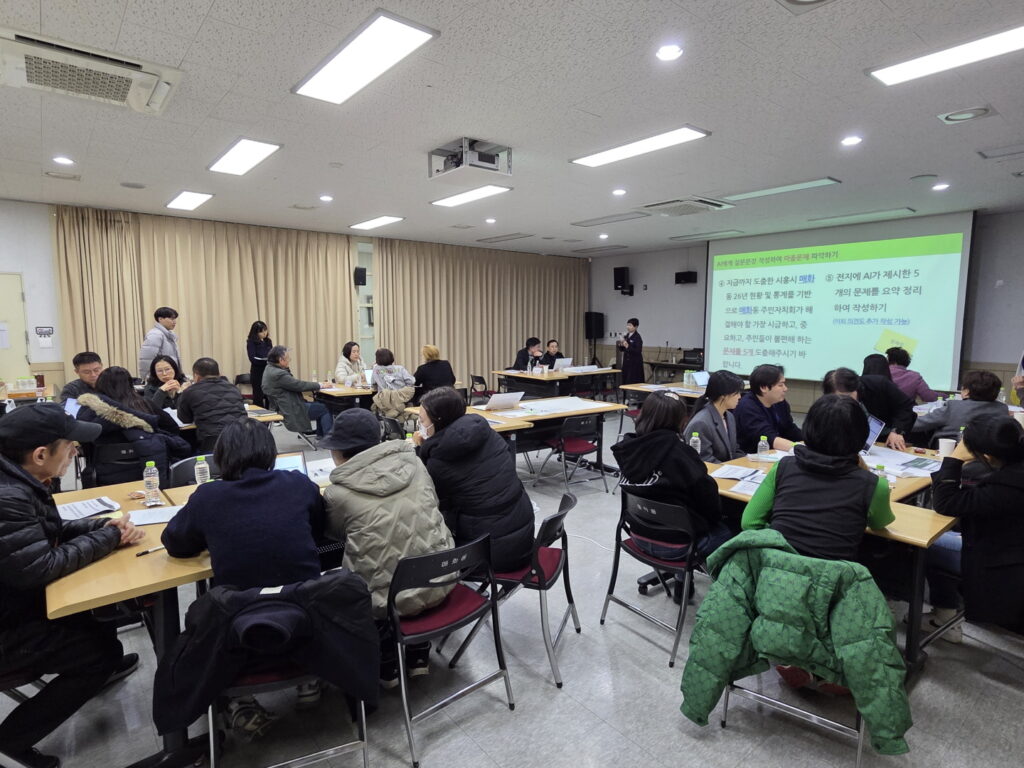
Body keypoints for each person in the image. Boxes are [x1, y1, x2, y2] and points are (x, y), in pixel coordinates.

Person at [0, 403, 142, 768]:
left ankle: (105, 661)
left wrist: (102, 528)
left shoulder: (18, 478)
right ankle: (11, 740)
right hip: (8, 626)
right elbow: (40, 565)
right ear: (41, 454)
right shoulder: (8, 496)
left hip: (16, 601)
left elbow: (46, 534)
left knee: (100, 612)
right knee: (96, 654)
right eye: (70, 445)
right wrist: (109, 539)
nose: (76, 451)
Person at [162, 418, 326, 732]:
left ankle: (239, 700)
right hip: (307, 616)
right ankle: (310, 677)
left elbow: (175, 544)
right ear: (271, 454)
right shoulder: (299, 484)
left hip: (241, 624)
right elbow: (318, 529)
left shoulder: (208, 497)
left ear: (221, 457)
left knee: (212, 603)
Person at [320, 408, 454, 686]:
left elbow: (333, 534)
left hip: (386, 604)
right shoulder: (415, 464)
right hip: (442, 578)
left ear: (340, 451)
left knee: (354, 575)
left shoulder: (337, 493)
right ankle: (419, 651)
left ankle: (386, 661)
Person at [741, 393, 894, 562]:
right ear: (861, 435)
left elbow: (750, 522)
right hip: (833, 580)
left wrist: (779, 535)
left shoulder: (784, 467)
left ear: (808, 428)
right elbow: (879, 523)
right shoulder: (873, 485)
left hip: (776, 571)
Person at [925, 415, 1024, 642]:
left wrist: (955, 458)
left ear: (987, 456)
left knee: (928, 544)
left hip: (1000, 562)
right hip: (1009, 547)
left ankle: (944, 617)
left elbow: (946, 503)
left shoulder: (1005, 488)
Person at [413, 387, 534, 571]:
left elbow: (434, 504)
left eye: (421, 421)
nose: (419, 425)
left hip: (489, 552)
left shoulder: (440, 462)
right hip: (524, 534)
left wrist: (421, 450)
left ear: (439, 421)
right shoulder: (486, 432)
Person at [612, 391, 731, 562]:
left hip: (638, 534)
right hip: (679, 546)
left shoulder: (628, 449)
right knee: (735, 529)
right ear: (680, 420)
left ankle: (681, 578)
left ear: (644, 414)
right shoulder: (681, 454)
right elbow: (710, 505)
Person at [77, 367, 192, 487]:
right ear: (130, 384)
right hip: (149, 471)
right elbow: (172, 428)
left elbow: (85, 440)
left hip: (106, 474)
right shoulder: (145, 403)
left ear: (100, 385)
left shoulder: (92, 410)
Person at [822, 367, 916, 450]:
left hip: (890, 433)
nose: (842, 401)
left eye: (846, 396)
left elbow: (905, 406)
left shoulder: (878, 384)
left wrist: (896, 431)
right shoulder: (831, 401)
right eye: (836, 398)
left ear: (855, 388)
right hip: (862, 439)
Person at [911, 369, 1007, 443]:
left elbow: (915, 425)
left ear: (966, 392)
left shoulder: (953, 407)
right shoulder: (1002, 409)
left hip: (949, 450)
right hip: (987, 454)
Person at [176, 357, 247, 453]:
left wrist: (181, 393)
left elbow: (185, 419)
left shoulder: (190, 391)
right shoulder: (233, 388)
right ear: (219, 374)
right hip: (242, 437)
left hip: (212, 443)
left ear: (196, 376)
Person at [261, 346, 333, 437]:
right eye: (288, 358)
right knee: (325, 408)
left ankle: (320, 435)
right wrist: (320, 385)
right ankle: (329, 439)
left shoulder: (269, 368)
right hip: (290, 409)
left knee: (319, 405)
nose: (289, 360)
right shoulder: (279, 374)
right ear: (281, 360)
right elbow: (299, 385)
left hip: (281, 406)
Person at [733, 364, 803, 453]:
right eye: (780, 385)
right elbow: (768, 438)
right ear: (764, 388)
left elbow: (789, 428)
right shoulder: (747, 406)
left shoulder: (779, 402)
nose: (785, 388)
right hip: (750, 457)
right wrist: (799, 448)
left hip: (774, 453)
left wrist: (811, 442)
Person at [684, 370, 746, 463]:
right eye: (736, 393)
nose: (739, 397)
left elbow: (733, 451)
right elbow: (703, 459)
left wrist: (748, 460)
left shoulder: (729, 417)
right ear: (723, 395)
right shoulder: (701, 423)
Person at [138, 306, 180, 380]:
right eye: (171, 318)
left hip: (168, 377)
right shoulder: (155, 334)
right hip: (159, 379)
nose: (174, 322)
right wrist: (148, 378)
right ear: (160, 319)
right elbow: (146, 359)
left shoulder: (169, 335)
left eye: (175, 319)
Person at [246, 321, 272, 408]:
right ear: (256, 333)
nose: (265, 333)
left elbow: (271, 354)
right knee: (258, 395)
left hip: (268, 371)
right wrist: (263, 360)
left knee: (270, 395)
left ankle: (271, 414)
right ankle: (259, 417)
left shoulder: (268, 341)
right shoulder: (251, 342)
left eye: (265, 330)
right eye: (261, 331)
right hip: (257, 372)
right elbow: (252, 358)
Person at [618, 318, 644, 384]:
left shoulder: (637, 337)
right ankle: (624, 393)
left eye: (630, 325)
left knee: (632, 380)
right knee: (625, 379)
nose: (628, 327)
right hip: (626, 362)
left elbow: (638, 351)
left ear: (635, 327)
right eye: (627, 325)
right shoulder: (627, 335)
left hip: (634, 363)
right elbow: (622, 349)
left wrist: (627, 346)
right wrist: (621, 344)